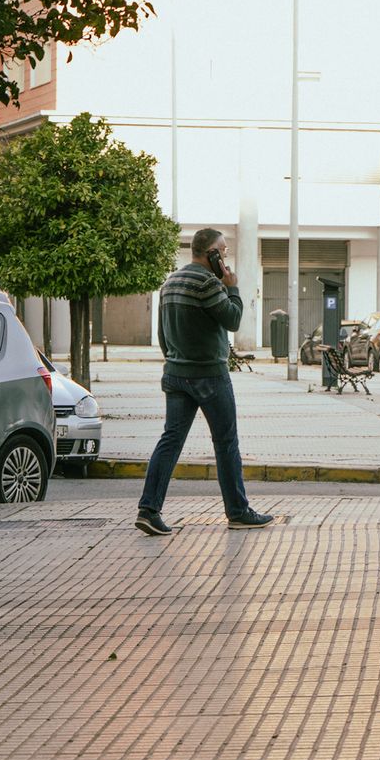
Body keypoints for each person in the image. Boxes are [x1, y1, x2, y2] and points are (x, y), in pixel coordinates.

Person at [136, 228, 274, 536]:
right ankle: (238, 512)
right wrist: (232, 287)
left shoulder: (170, 282)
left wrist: (176, 360)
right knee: (226, 443)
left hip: (175, 374)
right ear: (210, 254)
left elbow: (162, 335)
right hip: (210, 375)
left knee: (170, 440)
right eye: (223, 251)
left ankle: (149, 509)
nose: (225, 257)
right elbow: (233, 320)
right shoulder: (209, 284)